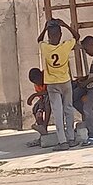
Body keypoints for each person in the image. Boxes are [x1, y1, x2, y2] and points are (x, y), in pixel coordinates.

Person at [37, 17, 80, 150]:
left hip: (52, 84)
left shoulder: (46, 48)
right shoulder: (65, 46)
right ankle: (71, 138)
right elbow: (77, 36)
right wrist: (66, 25)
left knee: (58, 112)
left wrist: (44, 28)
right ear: (60, 35)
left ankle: (63, 142)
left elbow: (39, 40)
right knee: (68, 109)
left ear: (49, 36)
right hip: (65, 82)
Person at [26, 67, 51, 139]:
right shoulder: (36, 84)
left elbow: (49, 91)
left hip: (53, 96)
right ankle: (42, 128)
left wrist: (34, 95)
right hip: (44, 98)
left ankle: (45, 125)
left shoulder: (47, 77)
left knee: (47, 102)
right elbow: (41, 97)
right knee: (35, 108)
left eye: (38, 81)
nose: (38, 83)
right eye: (35, 82)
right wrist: (40, 109)